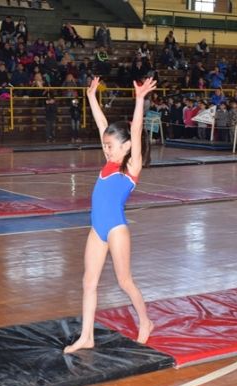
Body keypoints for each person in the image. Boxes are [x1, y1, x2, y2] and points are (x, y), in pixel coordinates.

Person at [65, 77, 157, 353]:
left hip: (116, 228)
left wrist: (140, 100)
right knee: (88, 282)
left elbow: (136, 129)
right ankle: (86, 336)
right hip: (97, 228)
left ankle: (145, 321)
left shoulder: (132, 167)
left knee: (124, 281)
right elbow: (101, 123)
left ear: (126, 146)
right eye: (104, 145)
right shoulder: (109, 161)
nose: (105, 149)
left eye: (110, 145)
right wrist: (91, 97)